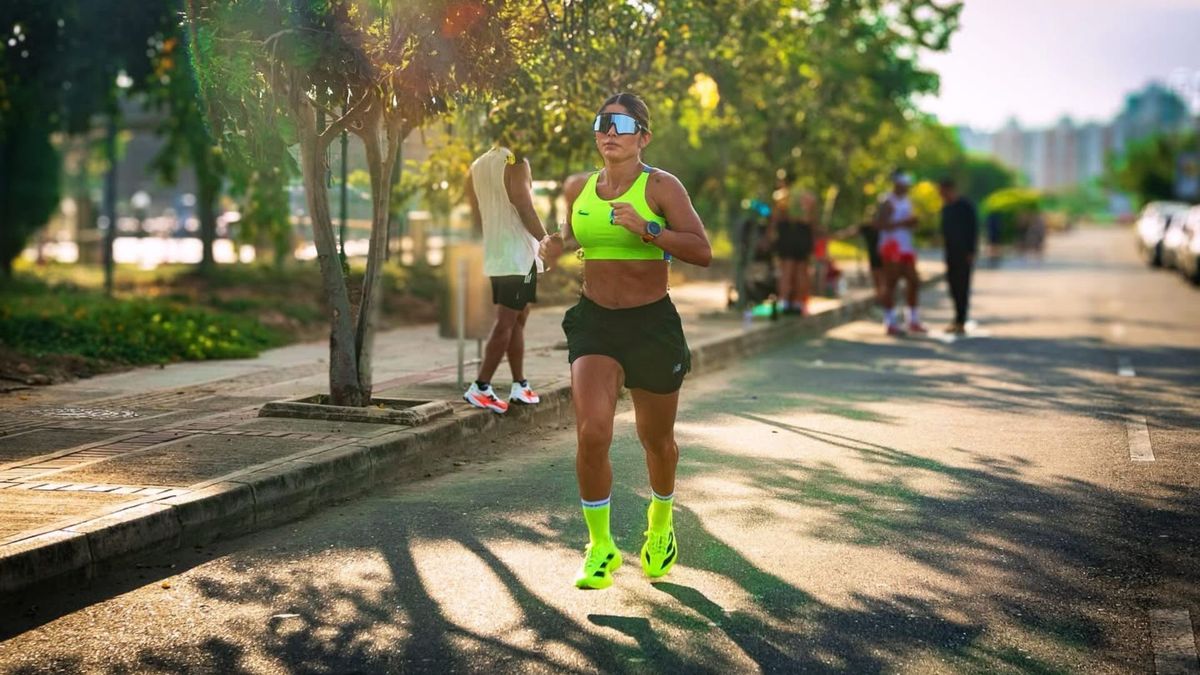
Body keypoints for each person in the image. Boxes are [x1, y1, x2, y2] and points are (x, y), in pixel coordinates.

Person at [539, 92, 712, 590]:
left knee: (656, 441)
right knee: (592, 432)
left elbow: (701, 250)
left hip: (651, 325)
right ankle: (600, 547)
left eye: (621, 124)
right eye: (601, 123)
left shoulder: (661, 186)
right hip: (595, 322)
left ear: (643, 137)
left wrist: (650, 229)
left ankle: (660, 528)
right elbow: (575, 239)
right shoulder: (581, 188)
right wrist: (556, 246)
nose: (608, 132)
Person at [461, 143, 549, 414]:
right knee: (507, 322)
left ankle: (519, 385)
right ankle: (481, 386)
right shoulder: (515, 161)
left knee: (519, 318)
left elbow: (475, 211)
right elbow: (524, 206)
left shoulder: (478, 164)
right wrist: (545, 239)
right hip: (517, 255)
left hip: (497, 253)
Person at [874, 171, 927, 335]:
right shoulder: (887, 201)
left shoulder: (907, 201)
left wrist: (912, 223)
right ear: (897, 184)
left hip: (905, 248)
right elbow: (879, 224)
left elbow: (907, 223)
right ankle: (890, 321)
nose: (906, 188)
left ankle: (913, 320)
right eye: (904, 185)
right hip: (891, 247)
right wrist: (904, 222)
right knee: (891, 283)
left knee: (914, 281)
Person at [937, 178, 979, 335]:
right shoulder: (946, 208)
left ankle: (961, 320)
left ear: (949, 189)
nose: (940, 194)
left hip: (964, 254)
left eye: (942, 191)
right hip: (950, 253)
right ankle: (956, 318)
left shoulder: (965, 206)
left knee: (963, 286)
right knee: (953, 286)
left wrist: (971, 251)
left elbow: (973, 229)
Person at [769, 187, 817, 315]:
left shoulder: (783, 196)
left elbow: (775, 219)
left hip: (790, 235)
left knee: (788, 270)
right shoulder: (802, 197)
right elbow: (811, 222)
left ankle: (785, 302)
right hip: (800, 234)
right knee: (799, 271)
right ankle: (797, 302)